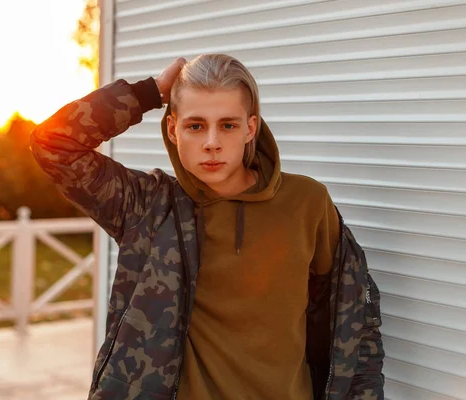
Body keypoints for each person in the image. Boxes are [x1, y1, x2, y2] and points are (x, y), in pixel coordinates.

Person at [30, 54, 385, 400]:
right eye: (195, 125)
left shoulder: (307, 202)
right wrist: (150, 92)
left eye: (227, 124)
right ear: (173, 129)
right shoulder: (147, 206)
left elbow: (354, 316)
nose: (212, 142)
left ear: (250, 128)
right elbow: (54, 145)